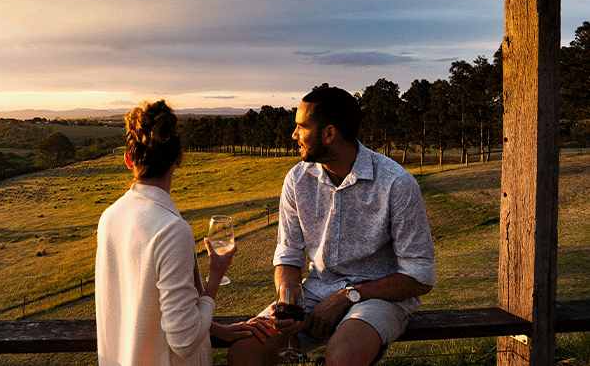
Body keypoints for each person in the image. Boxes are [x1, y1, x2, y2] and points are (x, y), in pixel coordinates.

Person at [228, 87, 436, 366]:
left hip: (380, 298)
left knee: (343, 356)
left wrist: (348, 296)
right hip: (316, 293)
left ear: (329, 133)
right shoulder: (297, 180)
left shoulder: (396, 183)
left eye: (301, 127)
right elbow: (289, 255)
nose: (294, 135)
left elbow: (419, 276)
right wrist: (289, 303)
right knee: (245, 350)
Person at [96, 99, 271, 366]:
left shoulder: (109, 217)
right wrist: (215, 276)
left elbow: (149, 308)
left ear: (128, 159)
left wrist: (215, 328)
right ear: (179, 156)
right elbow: (185, 341)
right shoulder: (171, 230)